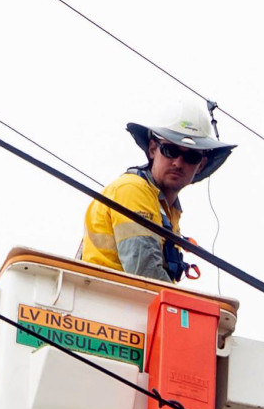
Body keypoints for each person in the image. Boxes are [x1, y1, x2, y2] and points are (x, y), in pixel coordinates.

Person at [79, 103, 234, 281]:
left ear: (201, 165)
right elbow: (146, 275)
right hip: (108, 301)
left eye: (191, 156)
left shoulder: (168, 210)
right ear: (153, 149)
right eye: (170, 150)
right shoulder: (133, 189)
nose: (178, 162)